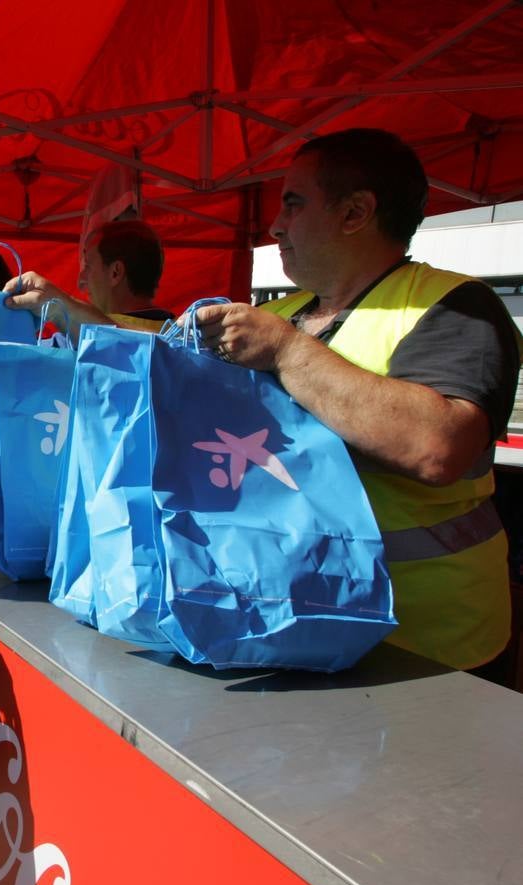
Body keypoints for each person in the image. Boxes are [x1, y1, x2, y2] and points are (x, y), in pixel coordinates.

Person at [191, 127, 521, 674]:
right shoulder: (288, 311)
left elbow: (438, 445)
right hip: (300, 616)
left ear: (355, 213)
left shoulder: (459, 305)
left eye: (293, 203)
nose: (275, 225)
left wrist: (287, 352)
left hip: (427, 647)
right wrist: (81, 321)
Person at [4, 220, 169, 339]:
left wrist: (59, 306)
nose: (81, 280)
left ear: (115, 273)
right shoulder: (185, 335)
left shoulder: (76, 344)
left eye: (88, 267)